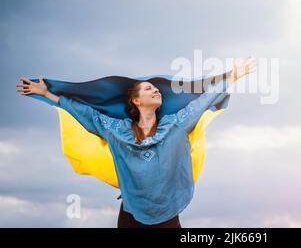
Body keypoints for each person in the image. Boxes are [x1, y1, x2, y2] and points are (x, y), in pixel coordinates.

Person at [16, 58, 257, 228]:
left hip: (167, 214)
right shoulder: (115, 129)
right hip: (132, 214)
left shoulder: (176, 123)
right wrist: (47, 93)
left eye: (157, 89)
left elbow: (204, 100)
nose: (156, 91)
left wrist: (234, 76)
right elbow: (84, 112)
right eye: (149, 88)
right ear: (136, 100)